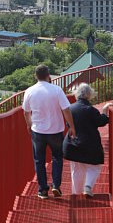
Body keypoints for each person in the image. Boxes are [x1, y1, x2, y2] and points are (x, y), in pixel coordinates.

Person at [22, 64, 76, 199]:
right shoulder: (57, 90)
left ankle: (43, 190)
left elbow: (26, 112)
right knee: (57, 157)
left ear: (35, 76)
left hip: (37, 131)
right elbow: (66, 109)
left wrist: (29, 124)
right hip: (56, 130)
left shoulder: (29, 91)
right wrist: (72, 126)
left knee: (39, 160)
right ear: (48, 75)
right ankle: (56, 185)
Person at [63, 83, 112, 197]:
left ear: (77, 94)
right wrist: (104, 111)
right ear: (90, 95)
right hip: (90, 144)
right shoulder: (91, 110)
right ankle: (88, 188)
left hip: (72, 143)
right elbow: (101, 121)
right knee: (94, 166)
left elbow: (68, 124)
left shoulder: (70, 108)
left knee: (76, 169)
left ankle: (77, 194)